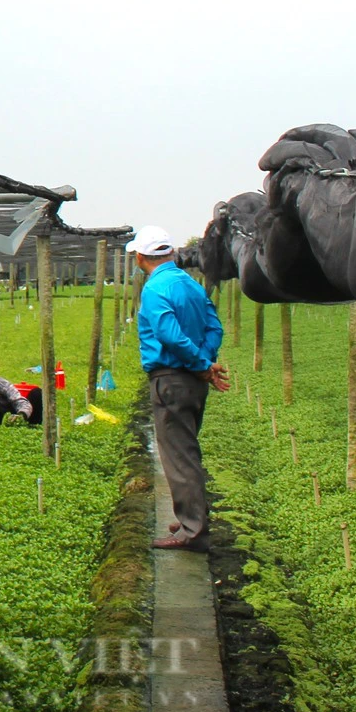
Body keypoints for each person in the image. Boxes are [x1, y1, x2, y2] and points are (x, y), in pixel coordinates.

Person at [129, 224, 230, 551]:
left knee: (179, 456)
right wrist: (206, 361)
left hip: (172, 379)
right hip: (193, 382)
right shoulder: (190, 283)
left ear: (141, 258)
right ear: (170, 253)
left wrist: (202, 366)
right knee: (187, 451)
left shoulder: (155, 289)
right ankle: (190, 517)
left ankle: (192, 532)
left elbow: (169, 335)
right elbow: (215, 326)